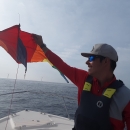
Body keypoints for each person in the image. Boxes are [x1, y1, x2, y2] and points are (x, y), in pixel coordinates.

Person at [33, 34, 130, 130]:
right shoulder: (83, 78)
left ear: (106, 61)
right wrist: (42, 45)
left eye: (91, 58)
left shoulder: (125, 96)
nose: (87, 62)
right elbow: (61, 65)